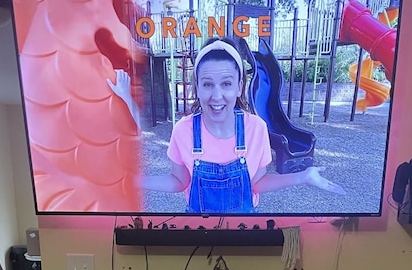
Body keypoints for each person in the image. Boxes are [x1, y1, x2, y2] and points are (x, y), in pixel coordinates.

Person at [141, 38, 344, 213]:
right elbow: (179, 181)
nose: (217, 96)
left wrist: (303, 176)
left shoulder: (256, 128)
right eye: (207, 84)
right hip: (198, 228)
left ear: (239, 87)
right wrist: (133, 181)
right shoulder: (183, 130)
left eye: (226, 84)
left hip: (245, 229)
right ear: (197, 87)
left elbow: (257, 182)